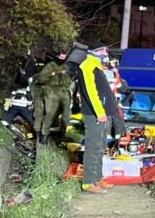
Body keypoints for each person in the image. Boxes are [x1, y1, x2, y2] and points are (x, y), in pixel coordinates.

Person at [77, 43, 115, 193]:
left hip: (102, 114)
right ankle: (88, 182)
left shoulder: (97, 67)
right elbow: (91, 92)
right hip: (94, 115)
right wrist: (99, 112)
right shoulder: (87, 66)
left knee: (100, 147)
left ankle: (97, 178)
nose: (106, 52)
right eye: (102, 50)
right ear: (94, 52)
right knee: (93, 148)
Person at [33, 50, 73, 144]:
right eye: (61, 56)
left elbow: (70, 79)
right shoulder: (50, 66)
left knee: (67, 115)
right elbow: (41, 79)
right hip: (51, 91)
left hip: (64, 92)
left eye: (64, 57)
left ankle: (62, 135)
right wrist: (53, 74)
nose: (62, 59)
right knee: (50, 114)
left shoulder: (66, 66)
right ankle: (44, 135)